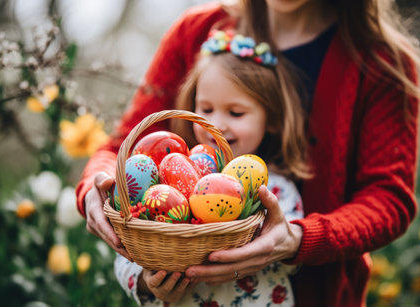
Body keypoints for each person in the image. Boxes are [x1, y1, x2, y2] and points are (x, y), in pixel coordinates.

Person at [76, 1, 420, 306]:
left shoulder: (380, 61)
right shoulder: (196, 31)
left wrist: (295, 240)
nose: (219, 123)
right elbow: (121, 147)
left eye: (235, 113)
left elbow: (387, 199)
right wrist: (96, 186)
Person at [114, 30, 310, 306]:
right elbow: (128, 249)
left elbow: (293, 261)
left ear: (273, 119)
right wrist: (147, 283)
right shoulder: (164, 185)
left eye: (236, 113)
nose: (217, 124)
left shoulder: (274, 190)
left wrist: (276, 248)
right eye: (206, 109)